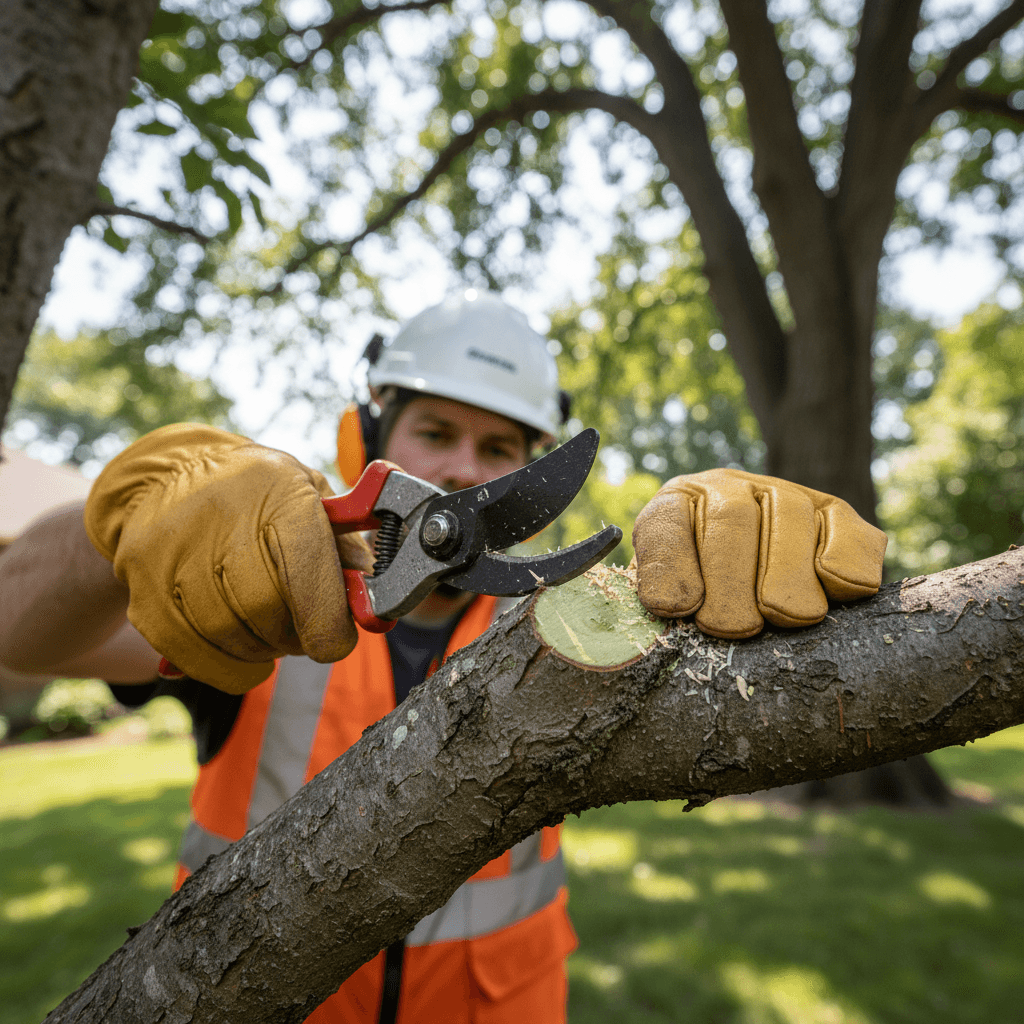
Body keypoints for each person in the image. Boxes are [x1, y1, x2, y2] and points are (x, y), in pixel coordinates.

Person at [0, 290, 887, 1023]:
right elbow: (14, 632)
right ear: (371, 436)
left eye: (498, 448)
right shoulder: (249, 593)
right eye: (436, 431)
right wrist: (109, 532)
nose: (464, 472)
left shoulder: (576, 629)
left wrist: (734, 547)